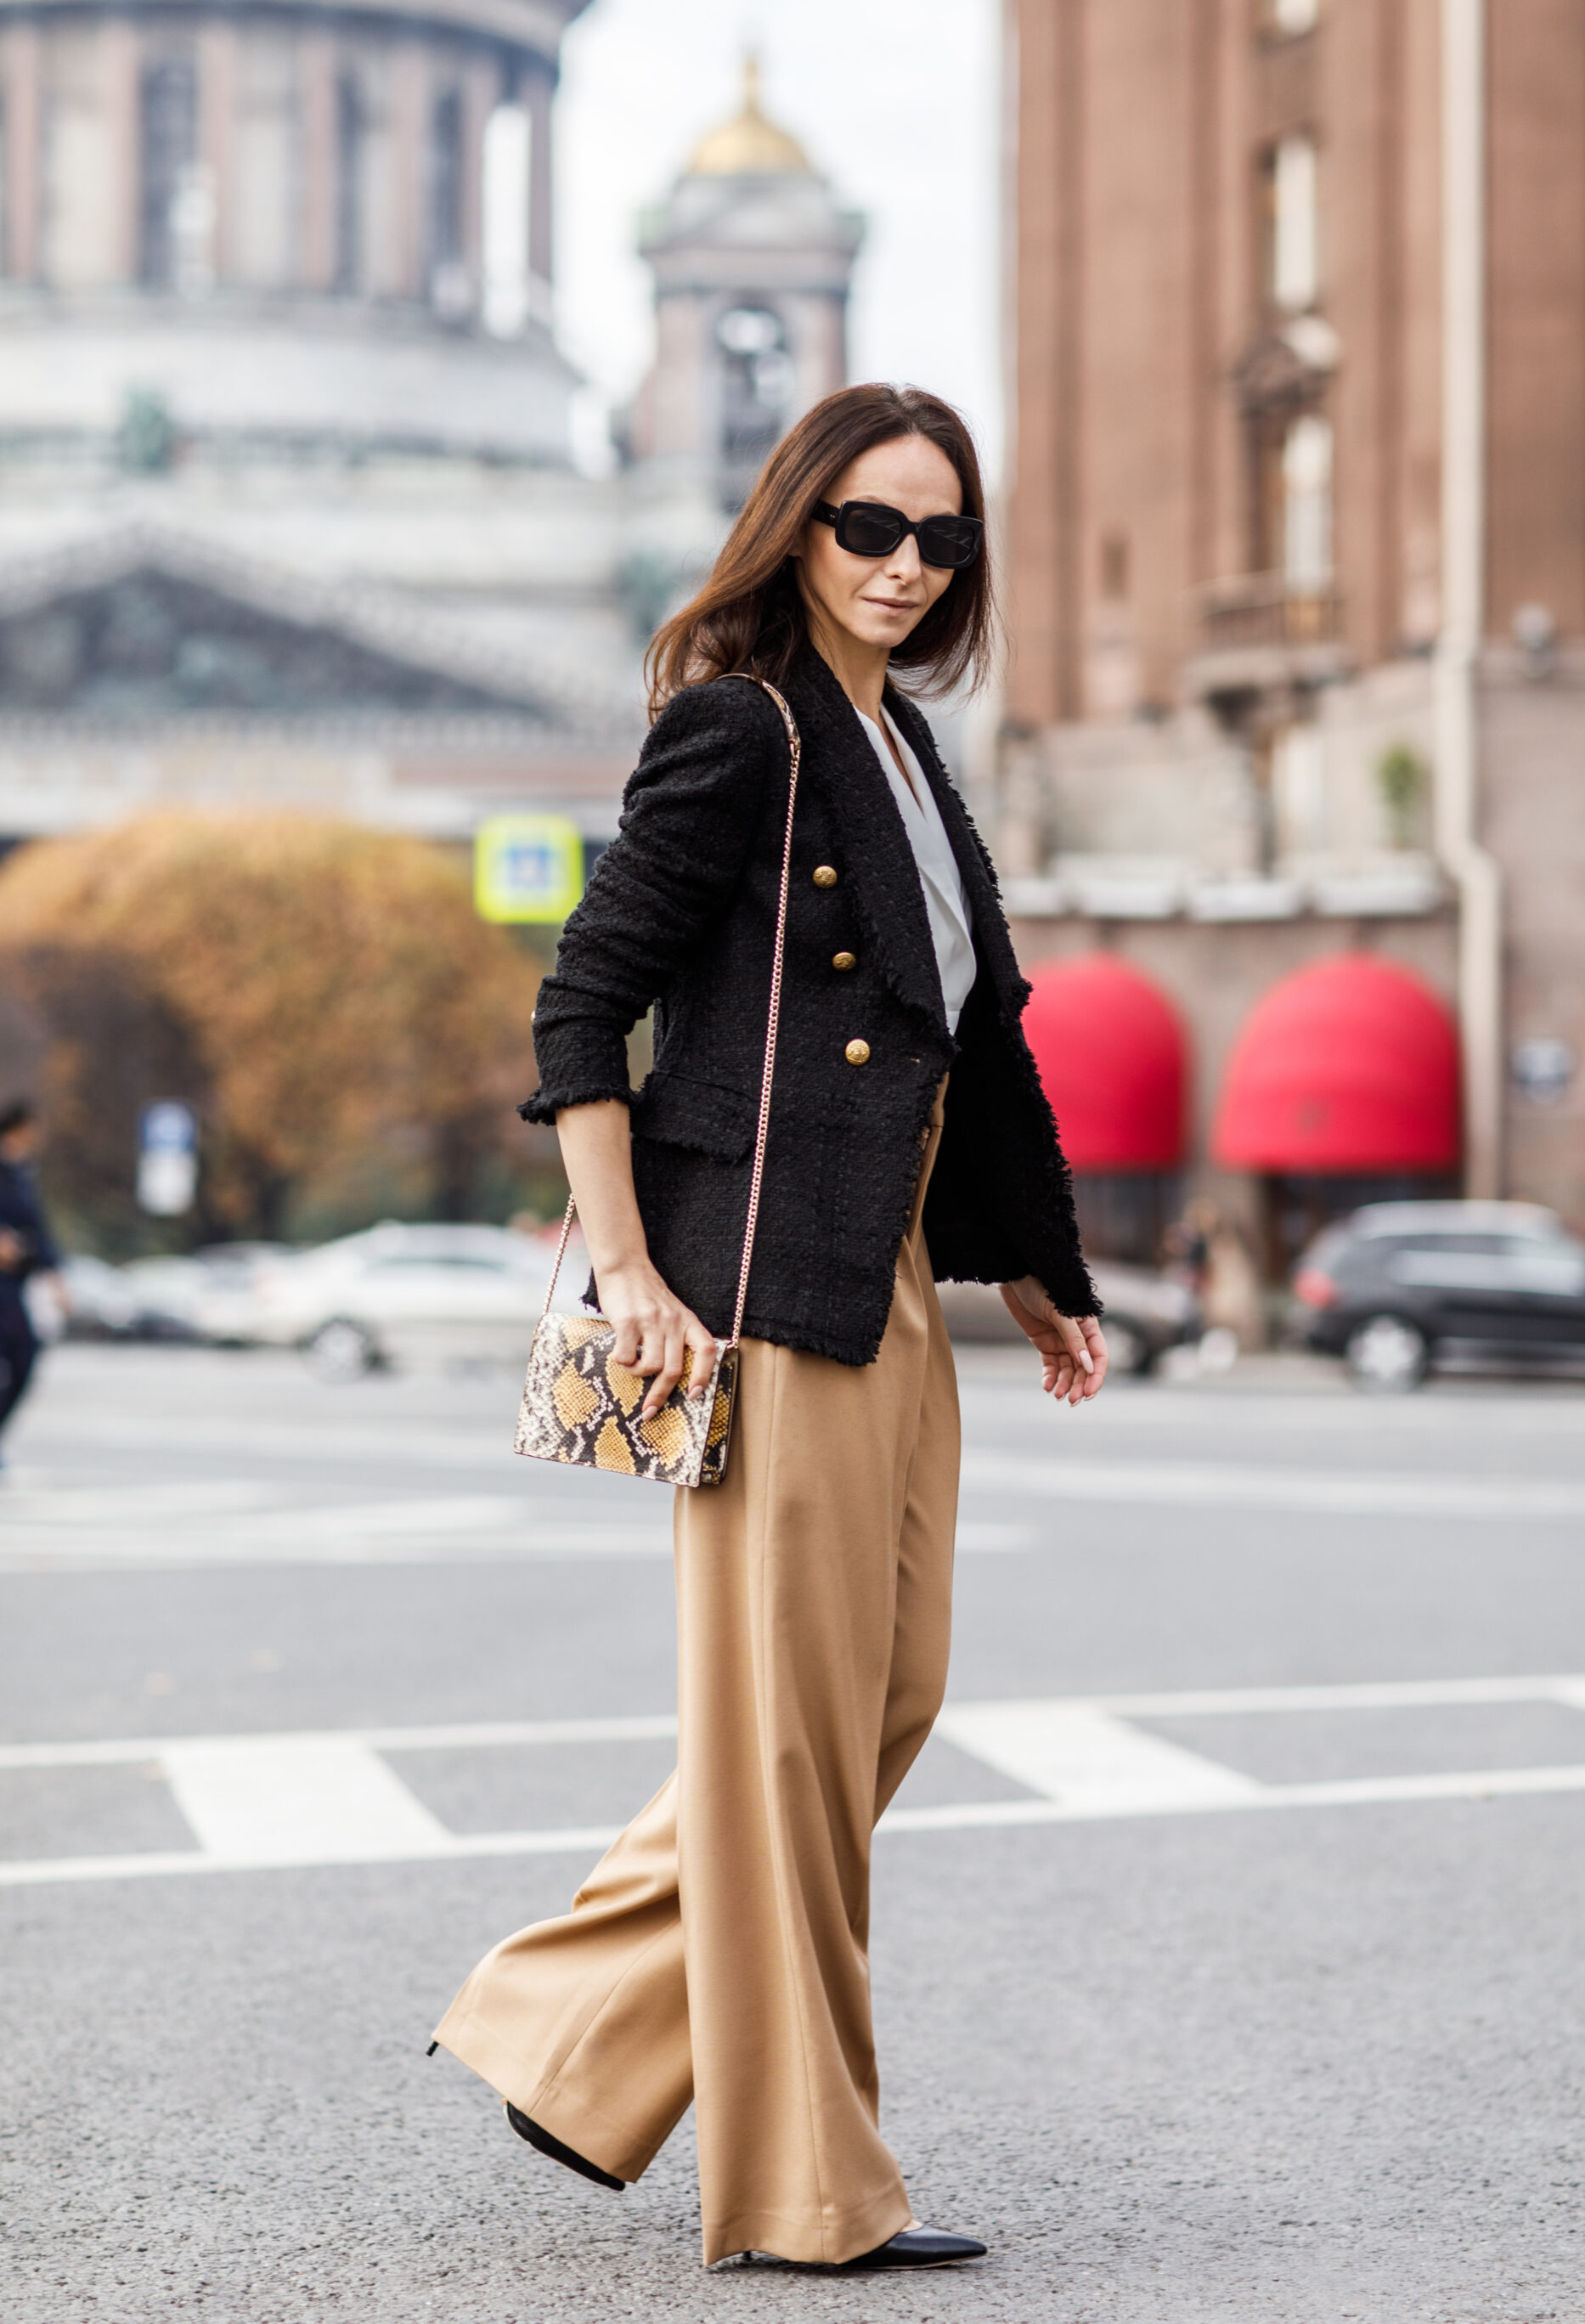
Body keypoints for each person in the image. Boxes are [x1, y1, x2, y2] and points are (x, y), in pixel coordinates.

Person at [431, 383, 1107, 2273]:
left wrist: (1039, 1268)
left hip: (883, 1272)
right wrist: (632, 1269)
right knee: (794, 1739)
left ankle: (560, 2024)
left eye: (941, 536)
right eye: (869, 528)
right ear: (795, 526)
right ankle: (814, 2190)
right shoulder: (744, 731)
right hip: (752, 1292)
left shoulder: (902, 746)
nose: (906, 566)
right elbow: (587, 1008)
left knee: (879, 1703)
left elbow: (983, 1042)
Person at [0, 1100, 65, 1463]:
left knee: (25, 1357)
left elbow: (40, 1230)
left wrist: (56, 1276)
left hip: (13, 1284)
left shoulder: (23, 1173)